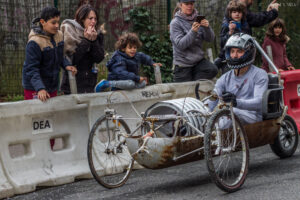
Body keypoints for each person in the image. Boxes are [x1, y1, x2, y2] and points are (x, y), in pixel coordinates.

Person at [208, 33, 268, 125]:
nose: (235, 55)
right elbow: (213, 98)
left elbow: (259, 103)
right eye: (232, 51)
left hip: (252, 115)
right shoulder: (224, 78)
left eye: (239, 51)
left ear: (248, 53)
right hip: (229, 114)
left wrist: (236, 102)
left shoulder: (260, 74)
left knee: (228, 113)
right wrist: (204, 111)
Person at [22, 6, 77, 102]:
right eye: (53, 22)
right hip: (34, 87)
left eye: (58, 22)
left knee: (51, 114)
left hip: (51, 85)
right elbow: (31, 69)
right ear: (43, 22)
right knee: (36, 115)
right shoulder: (34, 42)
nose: (57, 25)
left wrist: (66, 65)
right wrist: (40, 88)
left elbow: (60, 55)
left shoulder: (59, 35)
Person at [94, 32, 162, 92]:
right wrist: (137, 78)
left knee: (143, 83)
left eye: (135, 47)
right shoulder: (119, 58)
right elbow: (122, 74)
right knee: (131, 84)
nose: (133, 50)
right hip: (119, 81)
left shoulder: (136, 55)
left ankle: (130, 89)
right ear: (123, 48)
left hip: (129, 79)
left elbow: (144, 57)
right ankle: (107, 84)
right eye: (130, 47)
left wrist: (152, 63)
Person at [60, 4, 105, 94]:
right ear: (82, 19)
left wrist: (94, 40)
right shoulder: (70, 31)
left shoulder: (97, 34)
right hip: (72, 85)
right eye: (90, 18)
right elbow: (72, 60)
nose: (93, 21)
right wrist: (86, 40)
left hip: (89, 84)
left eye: (95, 19)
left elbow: (99, 58)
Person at [169, 0, 218, 82]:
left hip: (198, 62)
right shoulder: (175, 23)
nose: (189, 6)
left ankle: (195, 84)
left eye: (191, 3)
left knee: (212, 70)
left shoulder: (198, 19)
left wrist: (207, 28)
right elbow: (181, 44)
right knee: (184, 93)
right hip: (183, 65)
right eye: (186, 4)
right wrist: (193, 32)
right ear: (181, 5)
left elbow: (210, 39)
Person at [216, 0, 250, 73]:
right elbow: (222, 43)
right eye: (234, 12)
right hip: (228, 59)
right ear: (230, 13)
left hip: (243, 57)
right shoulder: (226, 25)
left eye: (239, 12)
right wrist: (230, 32)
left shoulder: (245, 25)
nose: (237, 14)